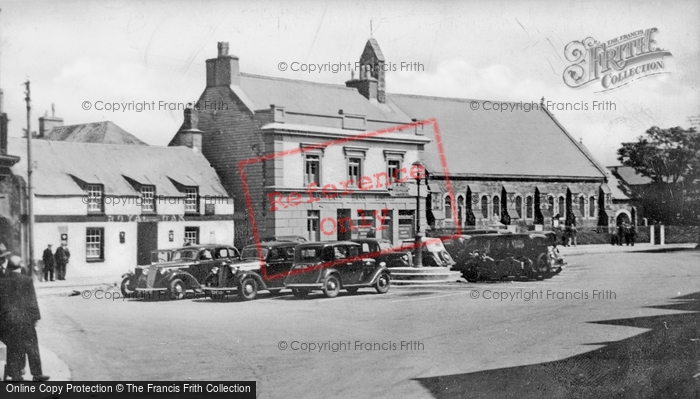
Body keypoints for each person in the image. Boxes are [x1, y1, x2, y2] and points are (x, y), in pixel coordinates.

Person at [0, 256, 50, 381]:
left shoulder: (2, 281)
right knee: (32, 347)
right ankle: (37, 374)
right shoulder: (26, 280)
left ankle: (15, 375)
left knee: (13, 347)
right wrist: (35, 317)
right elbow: (32, 301)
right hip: (25, 320)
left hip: (8, 320)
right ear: (20, 266)